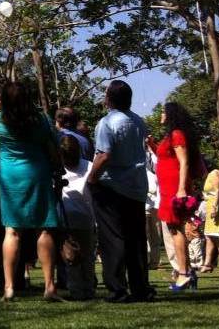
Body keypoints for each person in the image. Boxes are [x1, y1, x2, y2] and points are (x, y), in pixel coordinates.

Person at [0, 82, 61, 302]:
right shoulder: (41, 119)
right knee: (44, 229)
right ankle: (49, 286)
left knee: (12, 230)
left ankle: (9, 287)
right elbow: (54, 139)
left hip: (10, 177)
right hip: (37, 173)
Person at [87, 80, 154, 303]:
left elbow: (104, 155)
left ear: (109, 98)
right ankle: (141, 287)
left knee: (112, 238)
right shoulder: (138, 121)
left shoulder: (106, 123)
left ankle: (117, 288)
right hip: (136, 185)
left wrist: (92, 177)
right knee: (136, 239)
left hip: (112, 186)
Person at [152, 102, 202, 291]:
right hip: (166, 187)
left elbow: (184, 162)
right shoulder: (171, 135)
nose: (161, 114)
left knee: (176, 229)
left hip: (174, 188)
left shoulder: (177, 134)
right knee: (175, 228)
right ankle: (188, 271)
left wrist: (181, 188)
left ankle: (183, 274)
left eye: (163, 111)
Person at [59, 136, 96, 300]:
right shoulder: (88, 166)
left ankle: (80, 290)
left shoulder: (86, 167)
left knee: (73, 259)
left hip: (78, 220)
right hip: (79, 220)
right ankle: (85, 289)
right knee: (82, 258)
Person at [200, 168, 219, 274]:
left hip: (216, 206)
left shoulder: (215, 174)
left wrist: (215, 207)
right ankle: (207, 263)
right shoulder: (209, 176)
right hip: (209, 205)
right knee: (209, 236)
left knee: (218, 236)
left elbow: (217, 191)